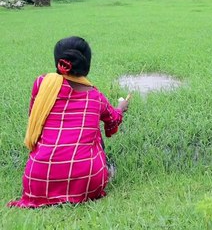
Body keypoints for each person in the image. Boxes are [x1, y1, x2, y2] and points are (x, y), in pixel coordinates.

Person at [8, 36, 129, 208]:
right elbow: (113, 121)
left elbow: (34, 116)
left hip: (38, 181)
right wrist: (121, 107)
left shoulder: (42, 84)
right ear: (86, 65)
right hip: (88, 184)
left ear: (59, 62)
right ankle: (106, 170)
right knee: (95, 132)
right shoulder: (95, 97)